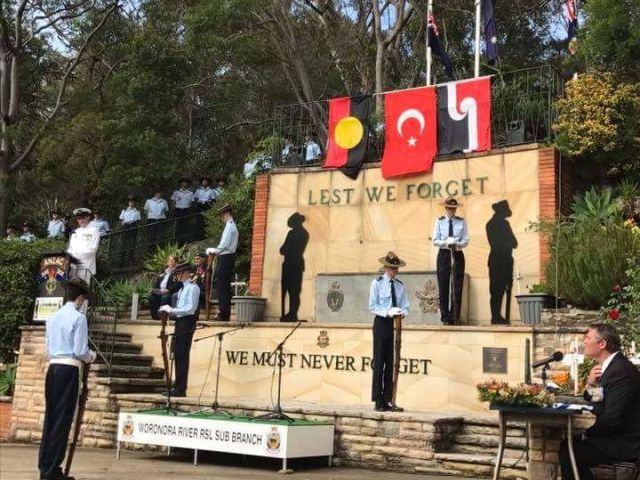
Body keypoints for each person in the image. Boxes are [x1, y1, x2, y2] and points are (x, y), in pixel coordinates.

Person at [558, 323, 640, 480]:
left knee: (569, 451)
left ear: (602, 344)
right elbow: (597, 397)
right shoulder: (610, 367)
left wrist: (588, 435)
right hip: (616, 437)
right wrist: (590, 384)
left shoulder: (620, 371)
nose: (585, 342)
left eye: (588, 338)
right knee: (567, 446)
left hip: (625, 442)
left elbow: (613, 418)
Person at [38, 278, 97, 480]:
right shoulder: (79, 318)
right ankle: (53, 470)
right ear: (80, 297)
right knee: (62, 420)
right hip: (68, 368)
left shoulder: (53, 317)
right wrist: (92, 356)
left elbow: (48, 347)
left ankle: (45, 466)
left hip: (53, 368)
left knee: (51, 417)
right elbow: (80, 350)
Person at [368, 251, 409, 413]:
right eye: (392, 268)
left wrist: (401, 311)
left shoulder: (400, 285)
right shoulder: (377, 283)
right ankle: (378, 400)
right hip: (381, 322)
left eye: (396, 268)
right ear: (385, 268)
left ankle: (388, 399)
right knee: (379, 362)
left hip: (394, 324)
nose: (394, 271)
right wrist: (387, 311)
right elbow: (372, 306)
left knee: (391, 362)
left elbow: (405, 304)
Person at [158, 262, 200, 397]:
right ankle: (177, 386)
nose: (177, 275)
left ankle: (181, 388)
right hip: (180, 322)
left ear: (186, 272)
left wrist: (173, 310)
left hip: (187, 322)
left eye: (179, 273)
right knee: (177, 354)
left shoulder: (193, 288)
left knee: (182, 355)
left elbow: (191, 308)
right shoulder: (182, 289)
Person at [432, 197, 469, 325]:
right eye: (449, 208)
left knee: (457, 285)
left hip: (457, 253)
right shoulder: (439, 221)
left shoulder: (461, 222)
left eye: (454, 208)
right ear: (446, 208)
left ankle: (455, 316)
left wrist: (457, 244)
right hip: (444, 254)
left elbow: (466, 240)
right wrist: (446, 242)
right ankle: (445, 317)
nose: (452, 211)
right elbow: (435, 240)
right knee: (443, 285)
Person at [486, 200, 518, 325]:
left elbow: (514, 243)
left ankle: (499, 316)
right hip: (497, 260)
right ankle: (496, 316)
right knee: (496, 290)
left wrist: (508, 243)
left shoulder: (504, 224)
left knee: (504, 289)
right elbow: (497, 244)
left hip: (506, 260)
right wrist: (507, 243)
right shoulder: (492, 224)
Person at [206, 204, 238, 322]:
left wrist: (214, 250)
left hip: (226, 257)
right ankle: (224, 313)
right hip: (226, 257)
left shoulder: (230, 226)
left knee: (223, 286)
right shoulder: (230, 226)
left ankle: (223, 314)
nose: (221, 218)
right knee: (223, 286)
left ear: (226, 214)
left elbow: (224, 244)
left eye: (221, 216)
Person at [67, 208, 100, 282]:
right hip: (73, 267)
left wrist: (77, 255)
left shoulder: (94, 231)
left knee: (83, 291)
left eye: (83, 218)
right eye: (79, 218)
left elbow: (93, 249)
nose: (81, 220)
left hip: (86, 266)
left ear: (88, 217)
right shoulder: (75, 232)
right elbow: (70, 249)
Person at [148, 255, 181, 320]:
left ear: (176, 263)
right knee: (152, 296)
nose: (171, 262)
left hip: (170, 291)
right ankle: (156, 317)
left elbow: (178, 284)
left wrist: (168, 290)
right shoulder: (164, 272)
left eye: (173, 261)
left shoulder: (178, 272)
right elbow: (157, 283)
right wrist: (153, 289)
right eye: (170, 261)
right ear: (167, 262)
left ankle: (163, 316)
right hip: (160, 291)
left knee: (165, 297)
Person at [119, 197, 142, 267]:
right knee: (124, 244)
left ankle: (130, 263)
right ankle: (121, 263)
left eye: (132, 202)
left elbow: (138, 221)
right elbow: (121, 220)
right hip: (125, 227)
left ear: (134, 203)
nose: (131, 203)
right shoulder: (124, 211)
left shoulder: (137, 212)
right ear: (128, 203)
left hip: (133, 227)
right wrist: (123, 223)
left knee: (132, 244)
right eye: (130, 202)